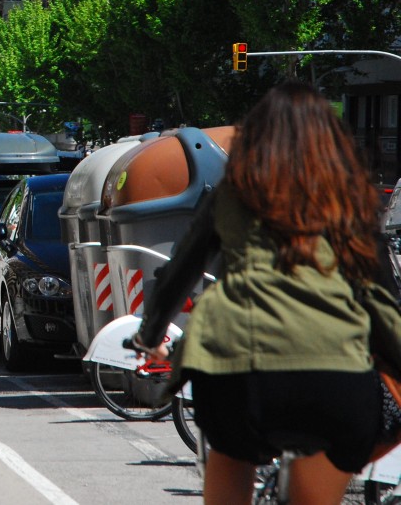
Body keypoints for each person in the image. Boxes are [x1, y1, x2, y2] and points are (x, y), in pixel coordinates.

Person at [134, 82, 388, 505]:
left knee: (231, 454)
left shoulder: (235, 193)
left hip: (238, 371)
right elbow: (382, 296)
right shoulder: (351, 201)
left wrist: (150, 335)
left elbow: (179, 272)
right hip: (336, 373)